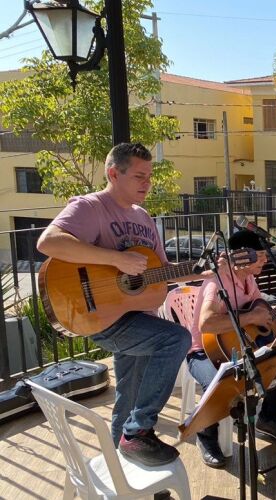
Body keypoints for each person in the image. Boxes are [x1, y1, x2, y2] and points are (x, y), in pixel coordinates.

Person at [36, 143, 193, 466]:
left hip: (135, 316)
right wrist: (116, 259)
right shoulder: (91, 207)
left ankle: (123, 470)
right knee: (176, 338)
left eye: (149, 176)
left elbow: (157, 272)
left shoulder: (143, 217)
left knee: (129, 395)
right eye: (139, 176)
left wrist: (204, 272)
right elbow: (48, 242)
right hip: (100, 316)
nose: (147, 183)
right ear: (113, 173)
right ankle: (138, 434)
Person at [186, 229, 276, 468]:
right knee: (218, 382)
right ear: (241, 256)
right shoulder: (217, 282)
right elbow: (206, 323)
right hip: (202, 351)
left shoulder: (249, 279)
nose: (265, 259)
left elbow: (260, 313)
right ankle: (206, 437)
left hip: (238, 347)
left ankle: (268, 418)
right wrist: (249, 319)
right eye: (260, 254)